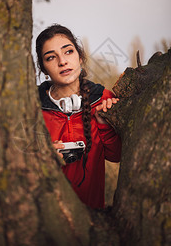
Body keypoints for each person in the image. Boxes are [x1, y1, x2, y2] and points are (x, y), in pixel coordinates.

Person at [36, 24, 122, 209]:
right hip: (46, 216)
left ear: (80, 57)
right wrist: (41, 159)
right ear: (43, 69)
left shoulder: (104, 99)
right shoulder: (31, 109)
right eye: (51, 57)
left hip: (92, 218)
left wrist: (104, 124)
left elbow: (117, 156)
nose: (62, 61)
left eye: (68, 52)